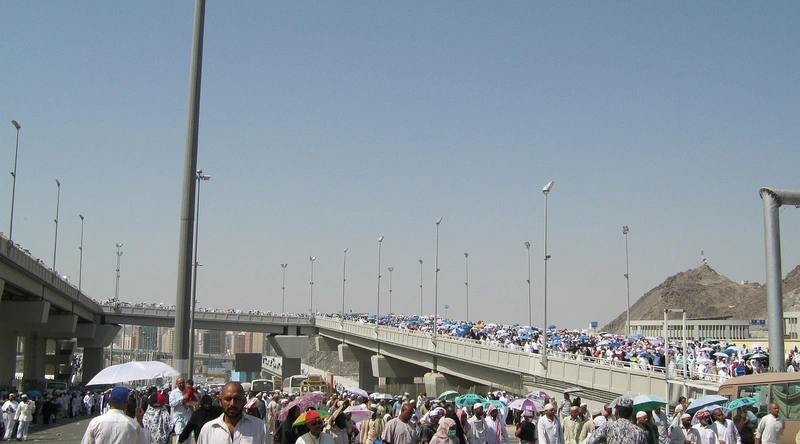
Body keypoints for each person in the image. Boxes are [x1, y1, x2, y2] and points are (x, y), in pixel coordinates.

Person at [196, 381, 270, 444]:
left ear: (244, 401)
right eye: (228, 399)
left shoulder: (259, 427)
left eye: (237, 399)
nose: (232, 404)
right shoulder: (208, 430)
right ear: (220, 401)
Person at [80, 387, 149, 444]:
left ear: (109, 402)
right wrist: (140, 421)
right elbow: (144, 441)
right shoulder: (134, 425)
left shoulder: (95, 422)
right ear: (126, 403)